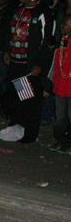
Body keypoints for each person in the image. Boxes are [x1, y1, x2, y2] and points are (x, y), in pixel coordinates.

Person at [3, 0, 53, 144]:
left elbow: (46, 42)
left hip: (30, 65)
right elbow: (9, 33)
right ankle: (17, 128)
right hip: (16, 62)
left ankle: (30, 134)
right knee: (18, 96)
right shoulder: (18, 9)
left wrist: (39, 64)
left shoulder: (42, 12)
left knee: (31, 100)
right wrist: (6, 50)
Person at [47, 15, 71, 153]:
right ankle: (62, 141)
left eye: (65, 23)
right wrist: (49, 84)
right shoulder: (62, 43)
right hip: (61, 87)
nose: (62, 25)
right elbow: (55, 67)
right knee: (60, 117)